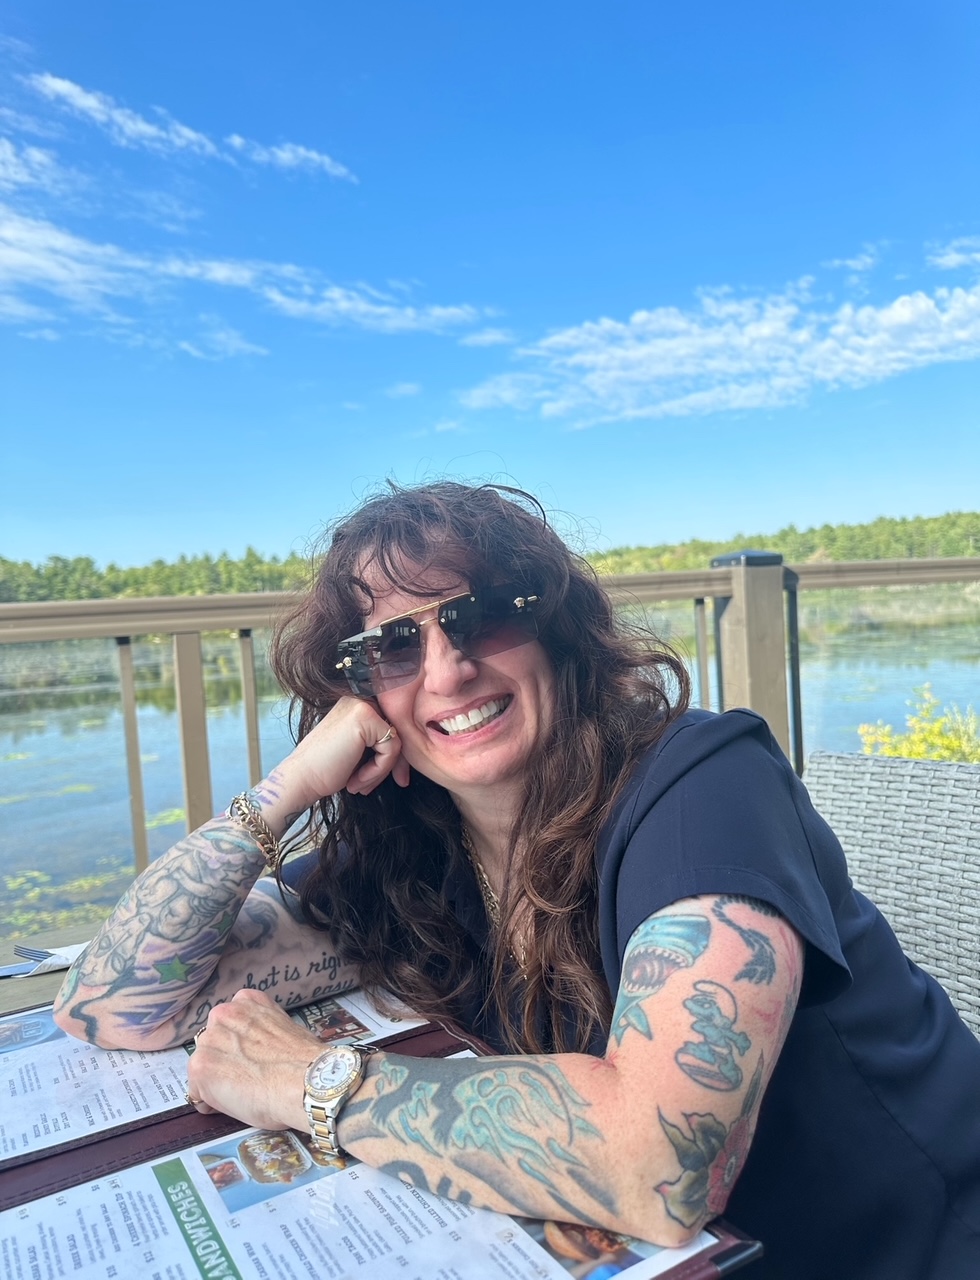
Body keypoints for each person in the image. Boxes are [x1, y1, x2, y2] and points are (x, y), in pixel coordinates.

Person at [53, 482, 980, 1278]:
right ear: (359, 693)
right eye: (393, 649)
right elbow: (116, 1003)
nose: (449, 670)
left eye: (479, 616)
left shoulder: (700, 781)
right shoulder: (413, 851)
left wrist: (307, 1081)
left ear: (556, 627)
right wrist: (288, 786)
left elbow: (658, 1165)